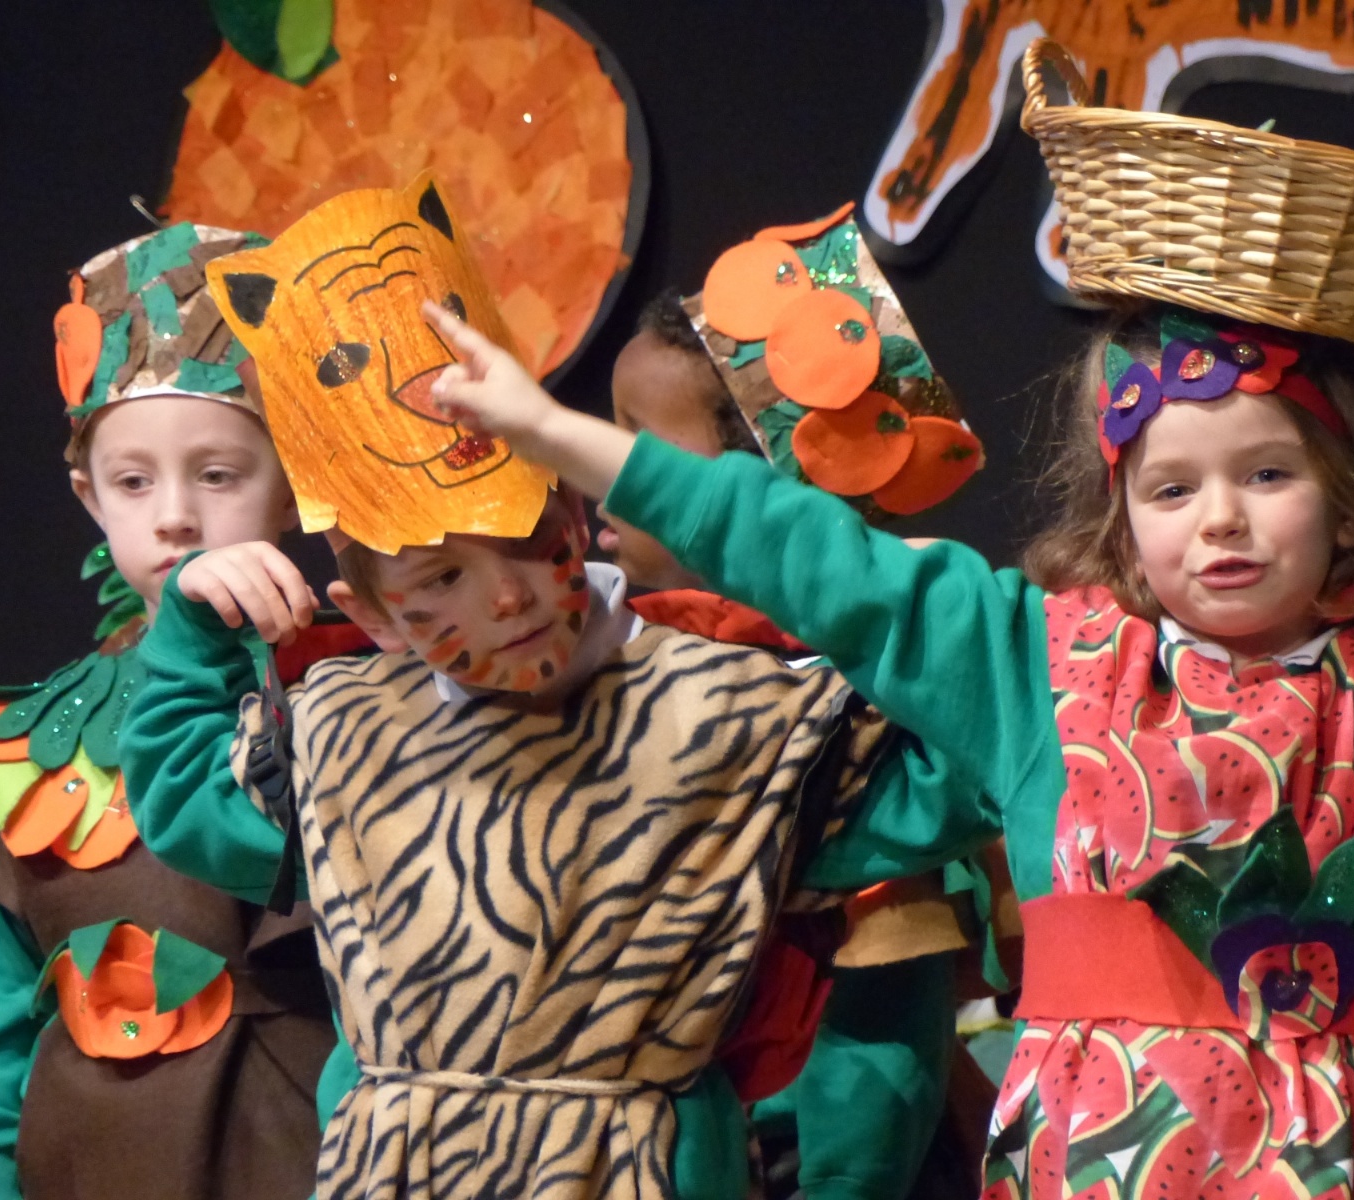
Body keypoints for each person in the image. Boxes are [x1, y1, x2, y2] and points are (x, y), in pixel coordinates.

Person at [416, 158, 1354, 1200]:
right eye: (1171, 489)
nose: (1220, 519)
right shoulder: (1038, 664)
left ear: (1349, 499)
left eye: (1267, 474)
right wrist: (548, 430)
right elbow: (798, 548)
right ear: (1122, 516)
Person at [117, 177, 986, 1200]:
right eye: (441, 578)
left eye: (527, 542)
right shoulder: (345, 739)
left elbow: (956, 775)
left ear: (576, 517)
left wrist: (902, 600)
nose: (504, 598)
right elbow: (185, 798)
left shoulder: (736, 717)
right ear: (375, 614)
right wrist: (196, 629)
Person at [607, 283, 1009, 1200]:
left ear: (761, 479)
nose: (604, 467)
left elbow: (884, 1053)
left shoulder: (871, 681)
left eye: (637, 436)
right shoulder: (609, 653)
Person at [0, 223, 341, 1200]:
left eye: (217, 474)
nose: (174, 514)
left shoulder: (374, 696)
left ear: (296, 482)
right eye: (134, 482)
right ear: (90, 498)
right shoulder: (22, 748)